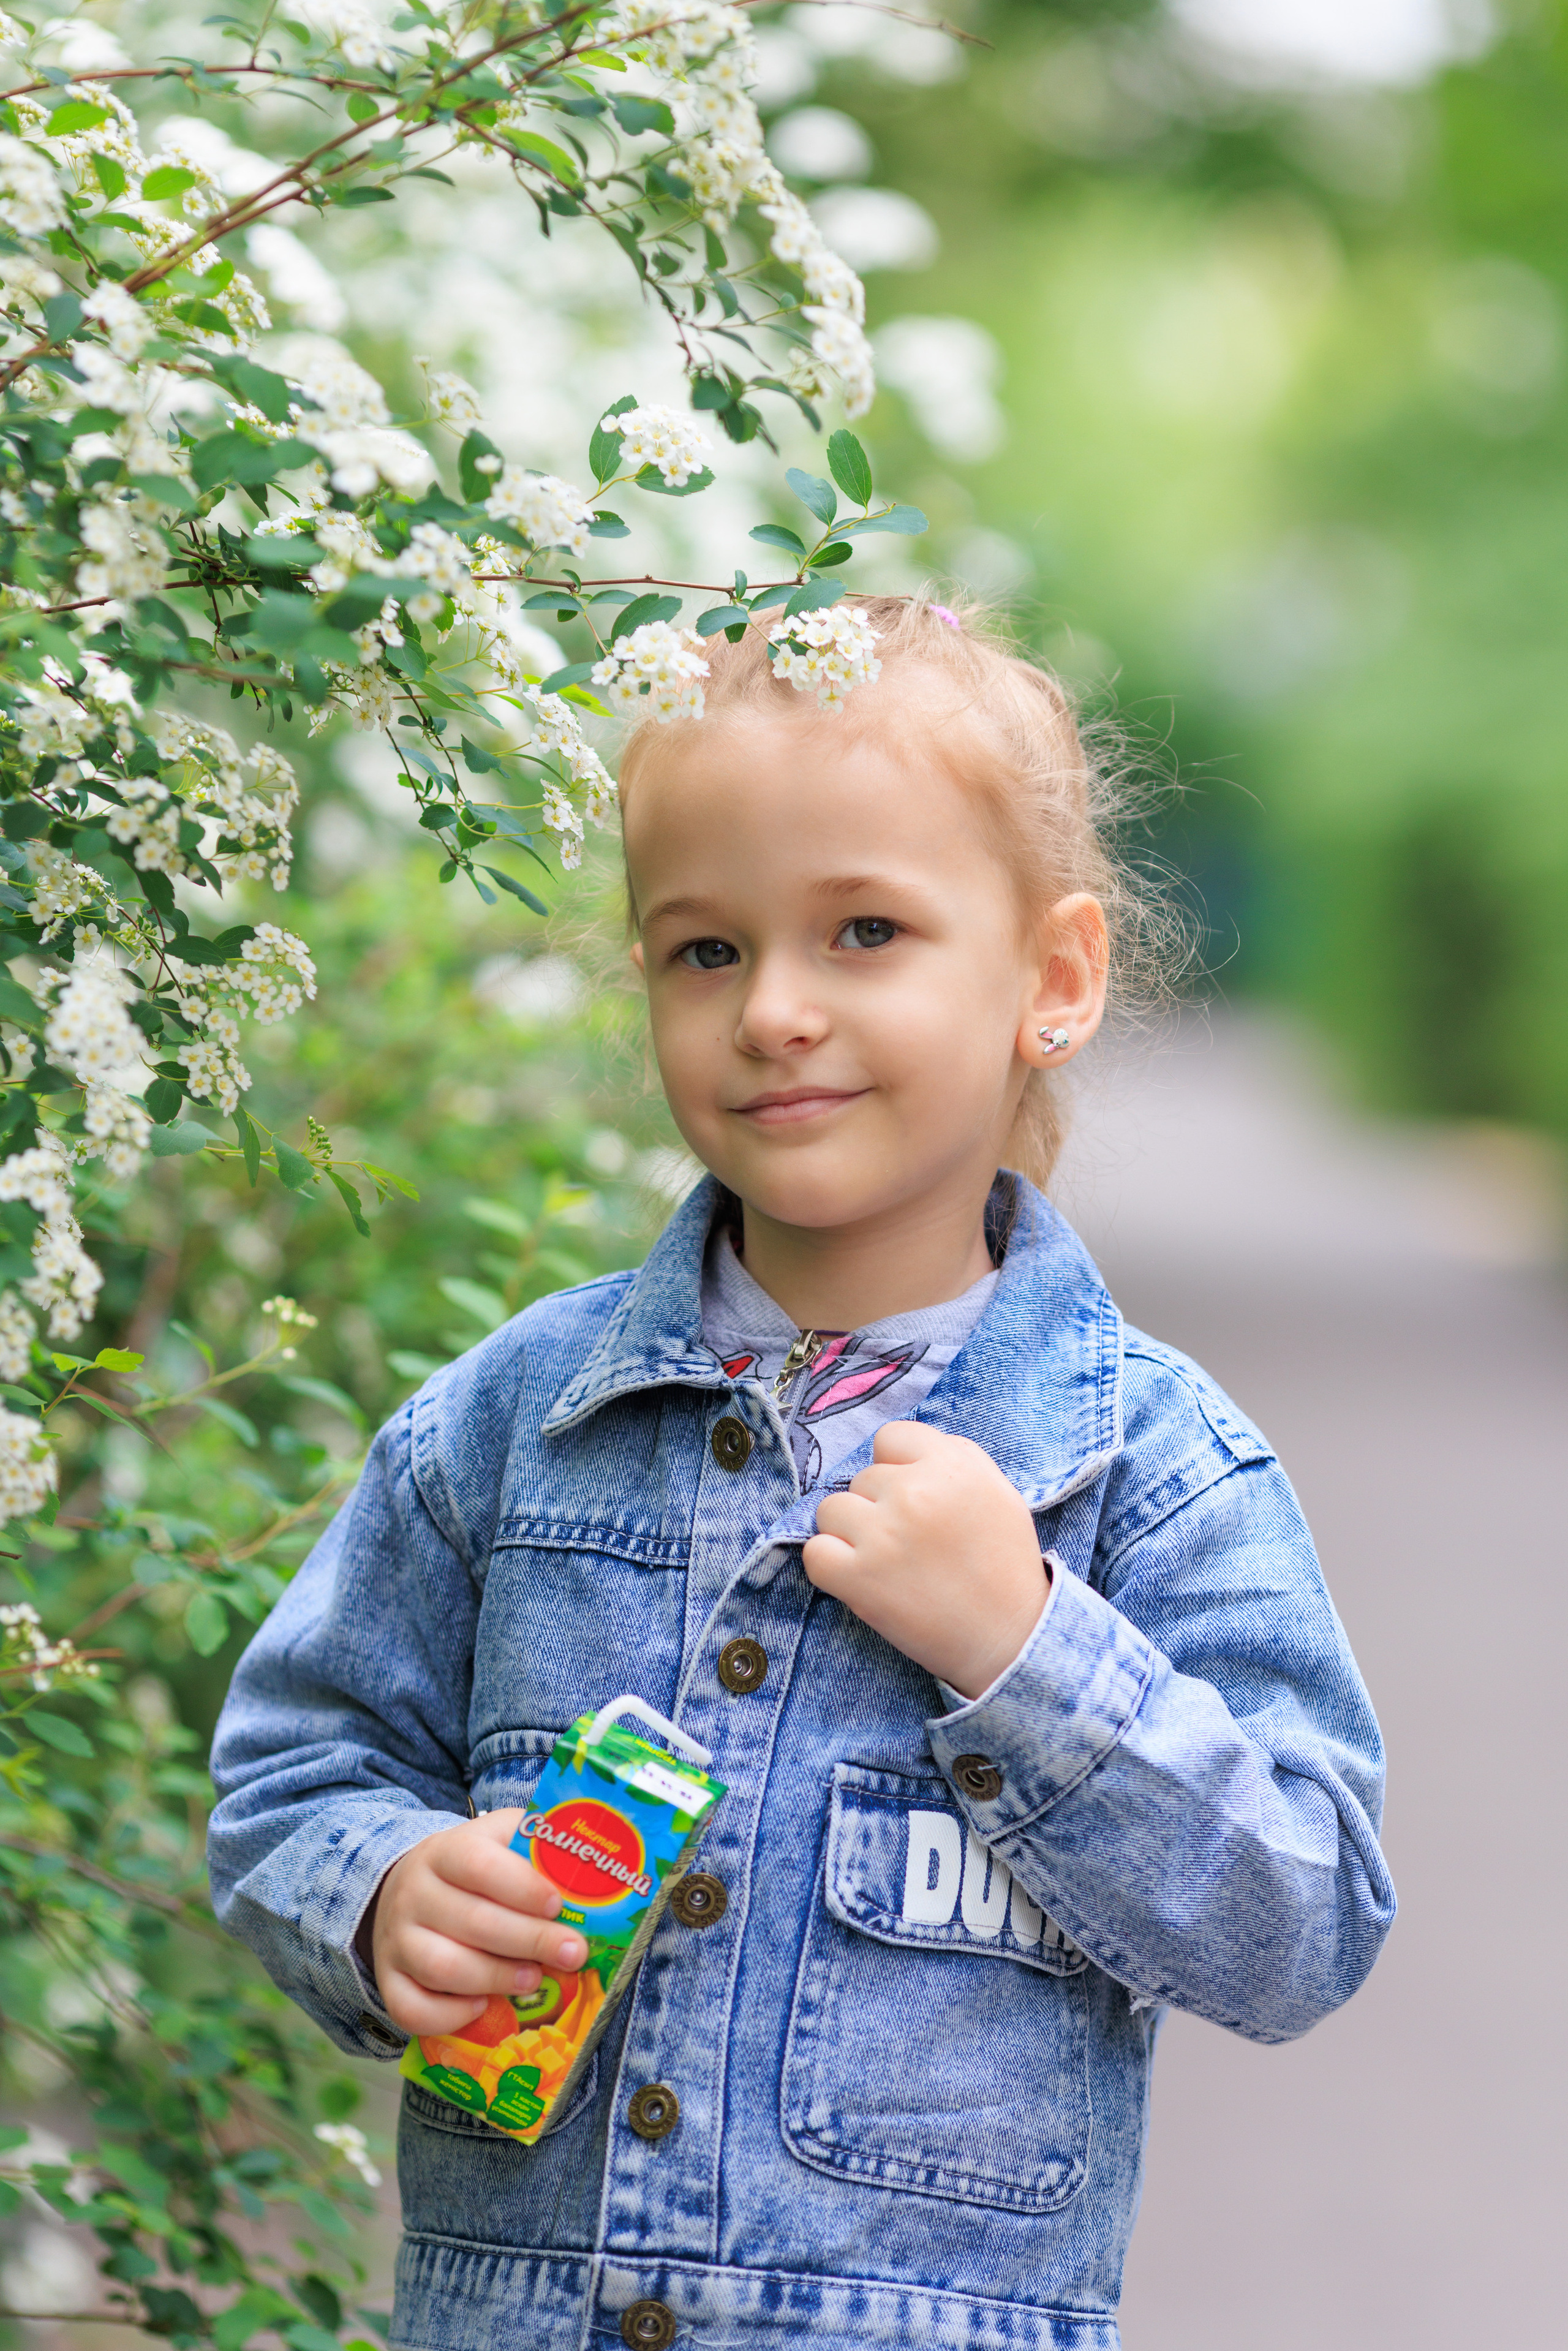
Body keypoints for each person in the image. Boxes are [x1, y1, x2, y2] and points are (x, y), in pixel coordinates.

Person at [208, 594, 1395, 2351]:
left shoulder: (1151, 1470)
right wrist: (383, 1889)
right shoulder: (515, 1420)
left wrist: (1028, 1650)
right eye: (705, 950)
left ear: (1052, 981)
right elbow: (295, 1768)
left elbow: (1302, 1919)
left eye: (864, 931)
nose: (773, 1010)